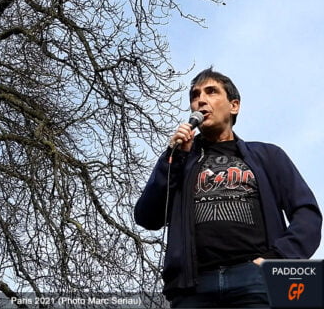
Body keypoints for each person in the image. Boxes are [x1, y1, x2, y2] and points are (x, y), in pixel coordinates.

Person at [134, 67, 322, 308]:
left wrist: (277, 258)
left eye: (211, 92)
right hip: (193, 287)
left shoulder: (267, 155)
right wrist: (172, 157)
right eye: (194, 95)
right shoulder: (181, 160)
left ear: (234, 106)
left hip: (256, 279)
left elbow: (306, 213)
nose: (200, 100)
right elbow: (147, 217)